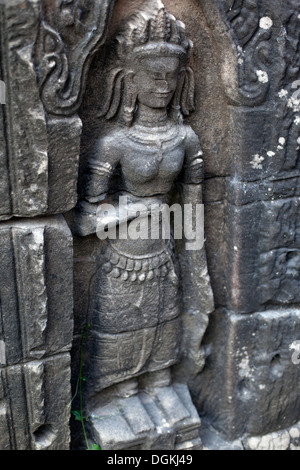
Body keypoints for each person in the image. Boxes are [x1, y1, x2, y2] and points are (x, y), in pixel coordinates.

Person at [74, 0, 204, 450]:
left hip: (164, 253)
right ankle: (122, 398)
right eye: (153, 75)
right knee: (121, 334)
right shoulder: (115, 143)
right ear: (130, 79)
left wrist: (197, 258)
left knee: (164, 330)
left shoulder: (186, 138)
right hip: (123, 258)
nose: (163, 85)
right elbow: (84, 220)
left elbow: (194, 203)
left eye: (171, 75)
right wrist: (132, 212)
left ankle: (159, 390)